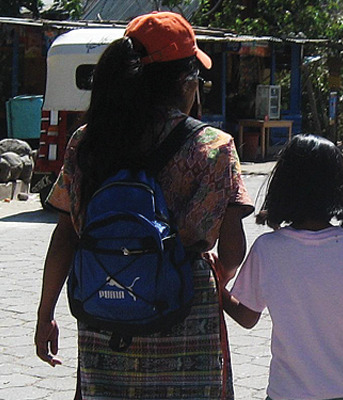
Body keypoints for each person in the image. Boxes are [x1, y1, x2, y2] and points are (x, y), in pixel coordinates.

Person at [34, 12, 253, 399]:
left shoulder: (87, 141)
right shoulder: (214, 148)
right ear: (186, 82)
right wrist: (221, 274)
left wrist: (45, 313)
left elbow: (65, 234)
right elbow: (233, 248)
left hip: (106, 307)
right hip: (185, 313)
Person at [222, 134, 343, 400]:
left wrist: (215, 286)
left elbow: (246, 317)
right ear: (340, 187)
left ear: (283, 187)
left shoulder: (267, 249)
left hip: (286, 392)